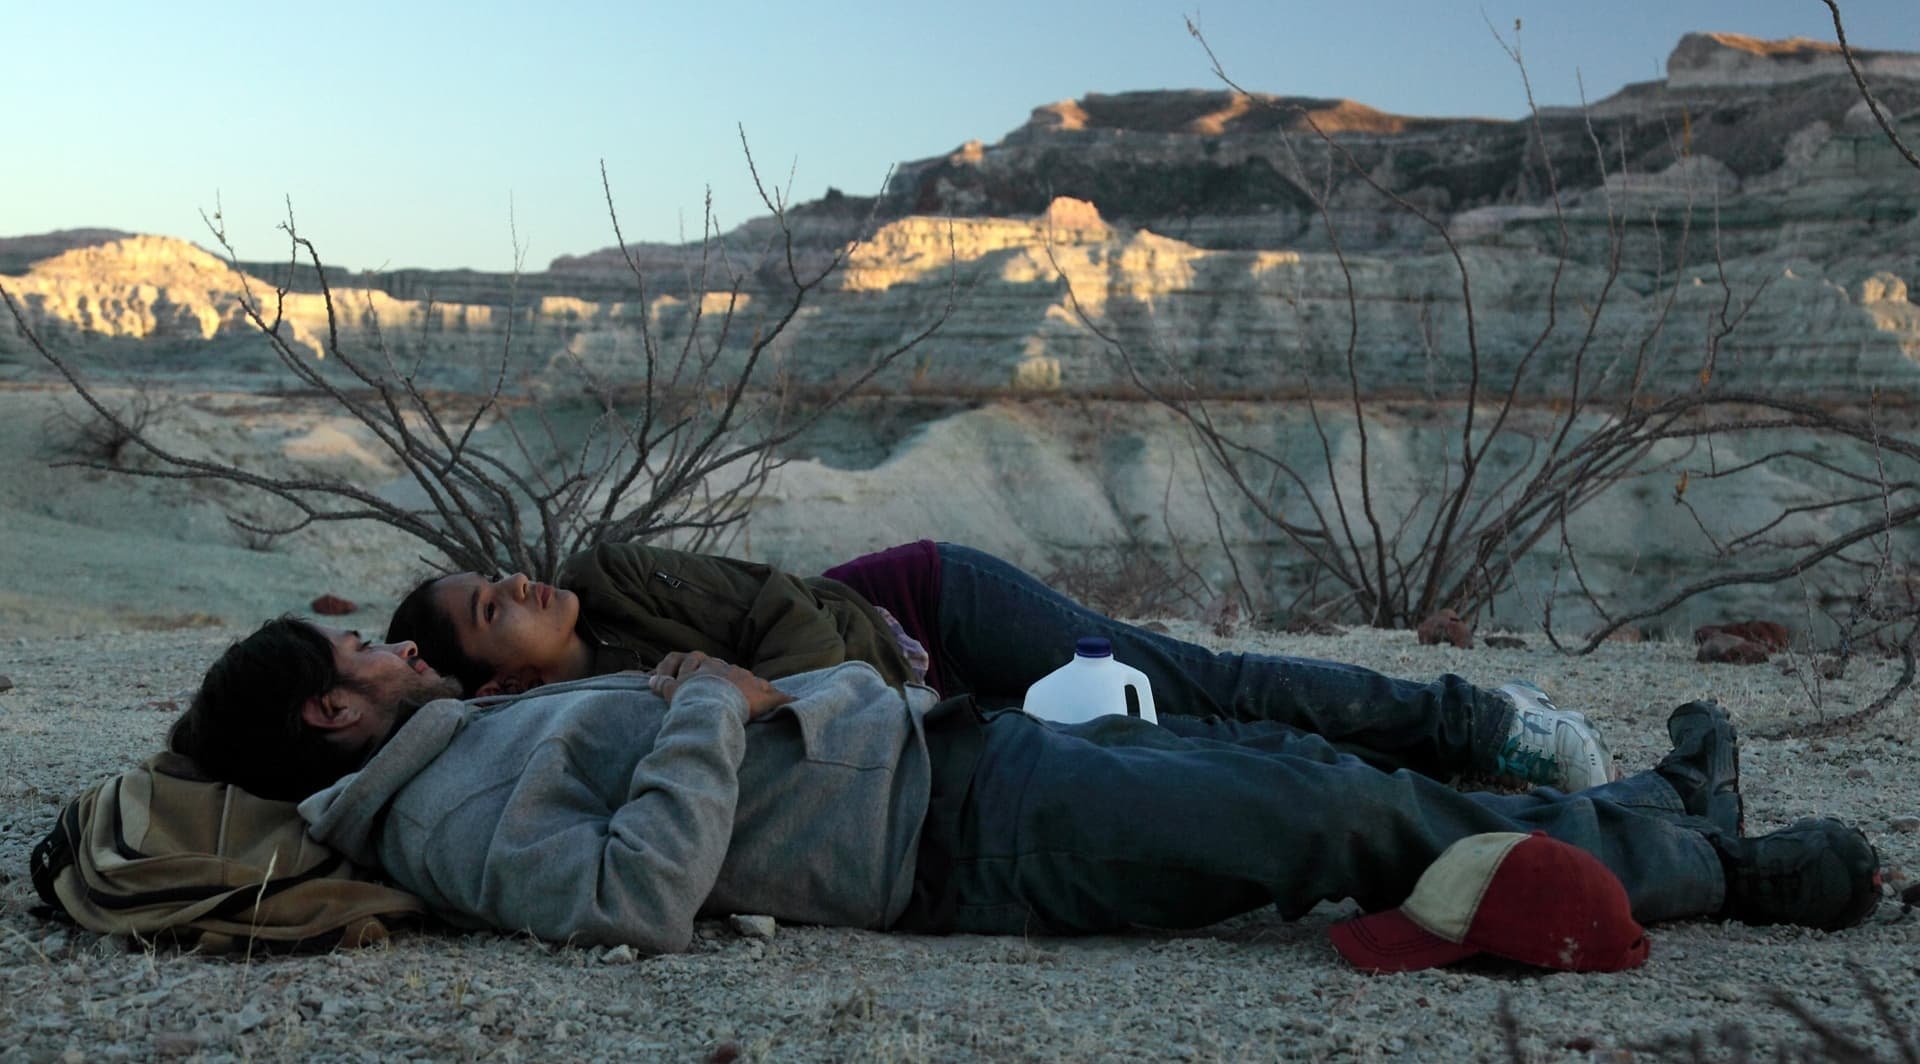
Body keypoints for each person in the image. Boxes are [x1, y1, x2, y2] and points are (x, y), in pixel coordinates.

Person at [170, 616, 1882, 954]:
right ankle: (1725, 875)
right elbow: (623, 900)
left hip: (957, 758)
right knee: (1334, 829)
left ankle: (1665, 816)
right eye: (363, 652)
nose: (395, 642)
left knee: (1308, 761)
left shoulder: (457, 744)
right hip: (962, 839)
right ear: (332, 719)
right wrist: (707, 706)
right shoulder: (444, 816)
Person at [385, 540, 1617, 792]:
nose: (523, 587)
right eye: (495, 609)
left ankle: (1480, 722)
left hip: (933, 608)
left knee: (1191, 683)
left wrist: (815, 696)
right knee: (1173, 752)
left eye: (501, 576)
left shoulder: (617, 575)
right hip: (924, 710)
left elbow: (780, 604)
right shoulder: (575, 714)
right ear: (491, 682)